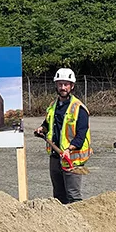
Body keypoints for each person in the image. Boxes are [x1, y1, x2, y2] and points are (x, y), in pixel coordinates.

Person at [34, 68, 92, 204]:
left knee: (73, 195)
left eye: (66, 84)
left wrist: (69, 149)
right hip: (55, 156)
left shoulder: (79, 108)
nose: (63, 87)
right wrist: (42, 128)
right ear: (56, 85)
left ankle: (76, 224)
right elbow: (48, 123)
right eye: (60, 84)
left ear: (72, 86)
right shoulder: (53, 106)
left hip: (71, 158)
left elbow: (81, 134)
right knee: (58, 195)